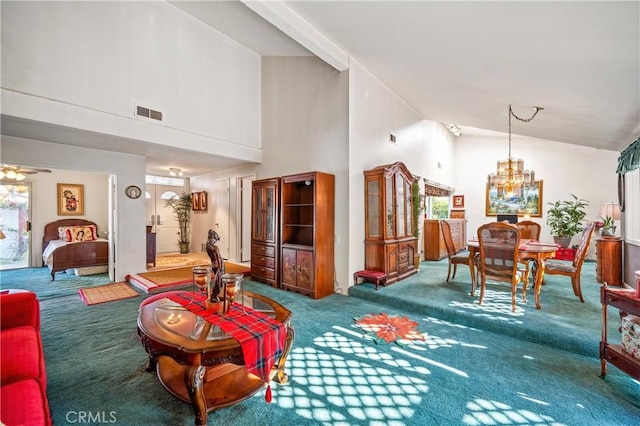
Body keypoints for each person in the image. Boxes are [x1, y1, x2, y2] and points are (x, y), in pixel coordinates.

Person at [205, 229, 224, 302]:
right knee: (219, 281)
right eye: (215, 240)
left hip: (213, 265)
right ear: (213, 238)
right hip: (218, 265)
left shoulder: (207, 246)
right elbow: (218, 259)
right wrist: (221, 267)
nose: (215, 242)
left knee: (217, 280)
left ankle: (215, 295)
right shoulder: (215, 248)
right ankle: (215, 295)